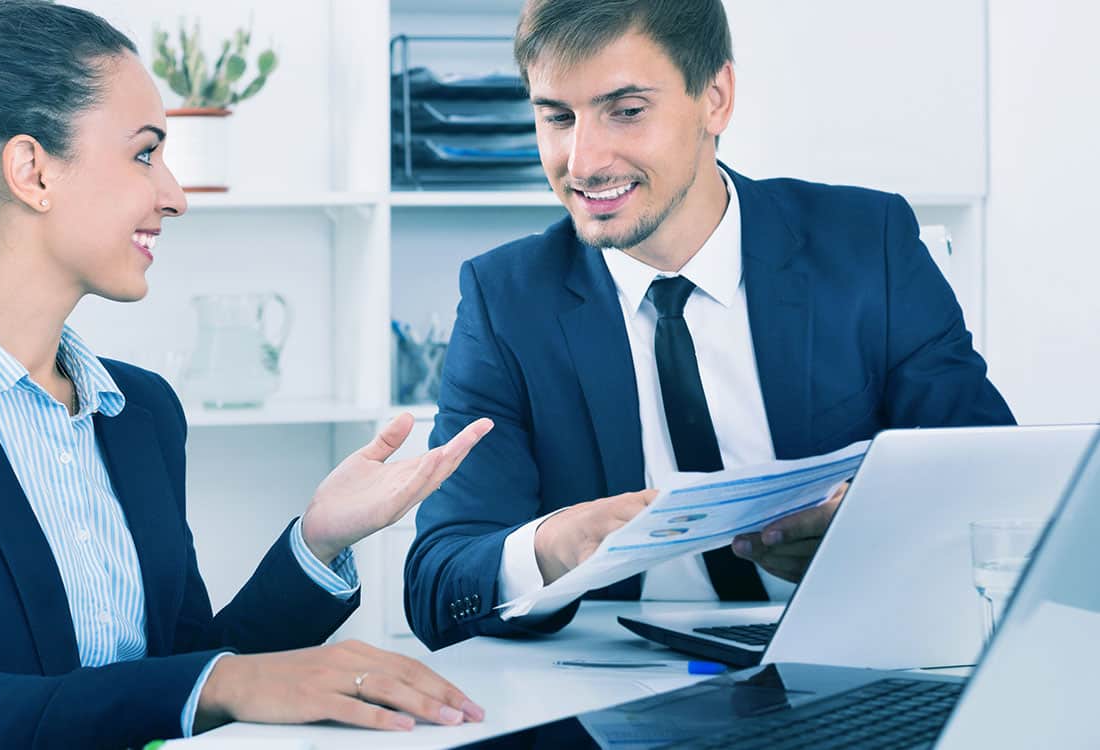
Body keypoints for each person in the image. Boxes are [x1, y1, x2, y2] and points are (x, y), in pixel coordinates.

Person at [0, 2, 493, 747]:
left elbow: (180, 671)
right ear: (32, 170)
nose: (174, 195)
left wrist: (318, 541)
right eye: (145, 153)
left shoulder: (141, 411)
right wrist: (227, 684)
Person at [403, 0, 1014, 651]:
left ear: (715, 99)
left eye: (627, 111)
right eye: (557, 117)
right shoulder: (506, 300)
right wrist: (552, 548)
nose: (581, 161)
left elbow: (996, 487)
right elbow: (437, 582)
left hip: (851, 658)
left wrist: (875, 534)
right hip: (609, 689)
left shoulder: (869, 245)